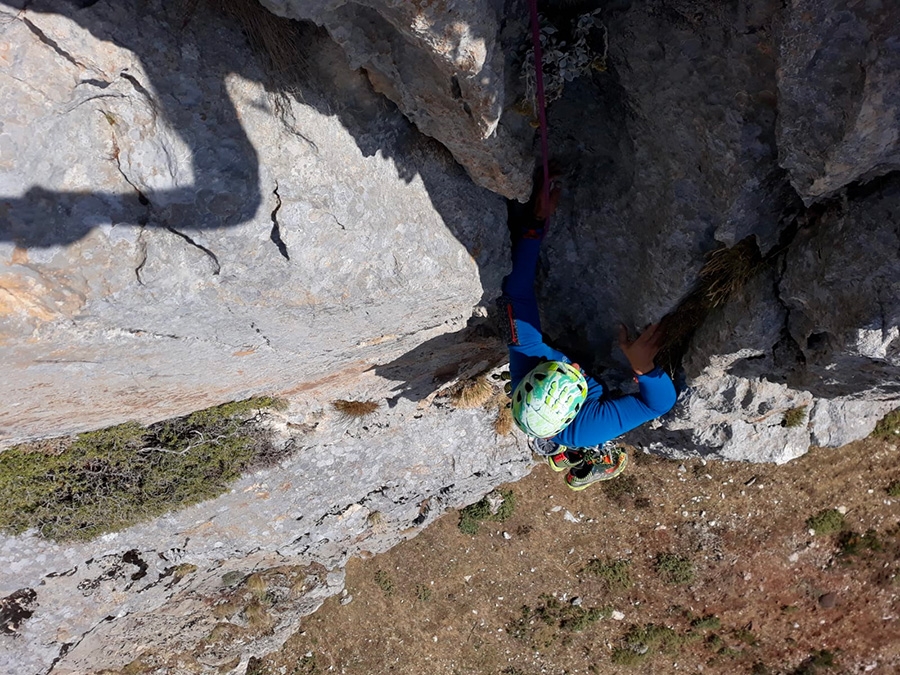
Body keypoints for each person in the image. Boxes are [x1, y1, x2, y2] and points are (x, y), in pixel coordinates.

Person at [498, 173, 677, 490]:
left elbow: (515, 294)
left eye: (567, 369)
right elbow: (658, 405)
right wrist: (643, 368)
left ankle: (560, 454)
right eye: (576, 376)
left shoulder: (528, 361)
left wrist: (537, 221)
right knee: (598, 434)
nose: (577, 366)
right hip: (581, 432)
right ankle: (586, 456)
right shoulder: (587, 427)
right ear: (575, 410)